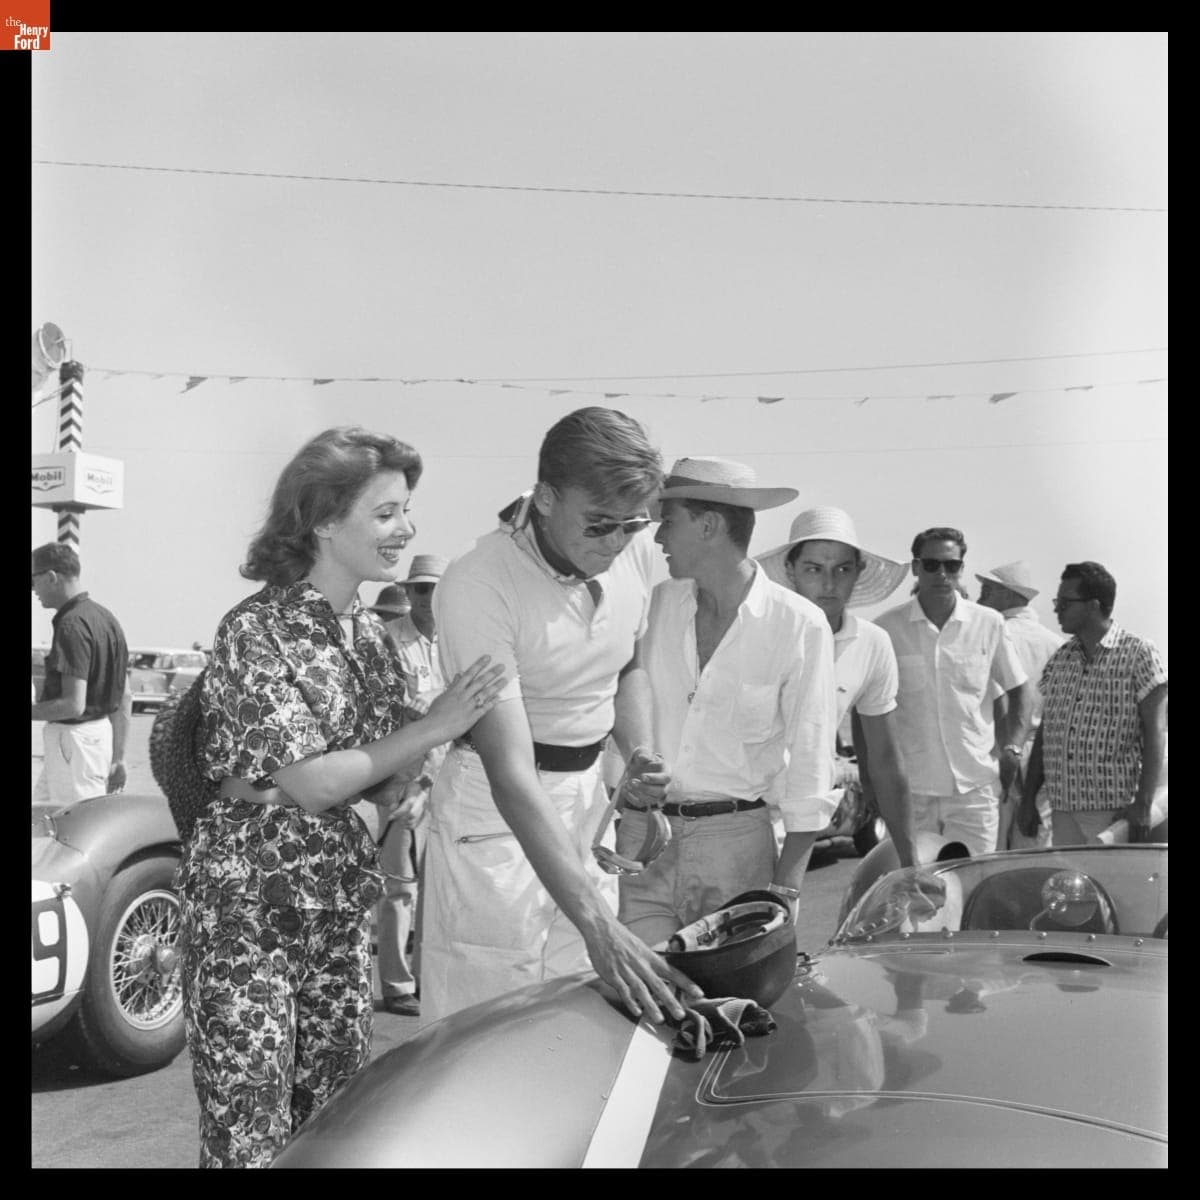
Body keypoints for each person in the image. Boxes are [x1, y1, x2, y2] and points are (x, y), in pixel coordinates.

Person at [175, 426, 506, 1168]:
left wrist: (426, 745)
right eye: (385, 512)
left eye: (406, 511)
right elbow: (310, 781)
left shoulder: (368, 638)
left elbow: (387, 778)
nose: (406, 529)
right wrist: (432, 727)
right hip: (249, 904)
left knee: (333, 1123)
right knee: (248, 1131)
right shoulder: (258, 628)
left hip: (336, 897)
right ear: (325, 518)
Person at [422, 406, 704, 1028]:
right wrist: (600, 923)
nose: (614, 545)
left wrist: (639, 754)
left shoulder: (626, 555)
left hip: (588, 798)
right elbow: (512, 772)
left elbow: (627, 666)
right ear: (546, 498)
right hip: (497, 809)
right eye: (599, 526)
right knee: (486, 1014)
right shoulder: (480, 585)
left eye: (632, 526)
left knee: (576, 1009)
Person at [618, 458, 838, 947]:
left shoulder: (798, 625)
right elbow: (616, 700)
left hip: (738, 851)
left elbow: (811, 766)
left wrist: (784, 889)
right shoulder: (652, 608)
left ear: (709, 525)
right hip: (642, 840)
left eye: (668, 523)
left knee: (728, 1010)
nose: (658, 539)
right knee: (637, 1004)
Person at [757, 506, 917, 868]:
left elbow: (886, 759)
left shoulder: (872, 643)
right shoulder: (756, 630)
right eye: (814, 569)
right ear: (790, 570)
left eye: (842, 569)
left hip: (805, 825)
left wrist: (909, 860)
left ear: (858, 573)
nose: (829, 584)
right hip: (739, 819)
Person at [874, 527, 1033, 857]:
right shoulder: (886, 629)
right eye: (932, 565)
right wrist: (873, 777)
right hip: (912, 792)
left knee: (975, 885)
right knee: (917, 894)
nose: (942, 574)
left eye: (952, 566)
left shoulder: (988, 624)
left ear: (961, 569)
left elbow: (1020, 690)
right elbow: (870, 710)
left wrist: (1013, 748)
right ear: (916, 567)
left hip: (975, 790)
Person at [1018, 561, 1167, 846]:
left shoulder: (1138, 653)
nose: (1057, 609)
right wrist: (1028, 800)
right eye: (1057, 601)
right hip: (1062, 808)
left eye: (1065, 602)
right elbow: (1046, 733)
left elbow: (1155, 731)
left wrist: (1143, 803)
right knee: (1074, 888)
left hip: (1112, 812)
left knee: (1116, 889)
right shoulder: (1062, 658)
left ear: (1093, 605)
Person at [373, 554, 450, 1018]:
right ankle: (397, 983)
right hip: (403, 777)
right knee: (399, 885)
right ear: (408, 593)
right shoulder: (388, 640)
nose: (427, 599)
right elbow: (382, 705)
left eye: (435, 589)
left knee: (439, 887)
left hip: (449, 775)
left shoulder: (458, 638)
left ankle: (427, 978)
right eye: (420, 590)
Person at [31, 542, 132, 804]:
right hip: (93, 740)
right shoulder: (106, 618)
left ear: (52, 577)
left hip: (73, 744)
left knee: (72, 827)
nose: (33, 590)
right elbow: (124, 696)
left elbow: (72, 705)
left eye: (33, 581)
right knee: (41, 826)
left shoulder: (71, 624)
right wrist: (118, 757)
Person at [975, 560, 1064, 848]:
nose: (980, 598)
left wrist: (1008, 754)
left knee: (991, 850)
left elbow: (1003, 705)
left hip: (1000, 751)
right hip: (1044, 757)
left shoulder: (991, 634)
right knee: (1035, 852)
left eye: (987, 590)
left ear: (1007, 594)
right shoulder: (1058, 644)